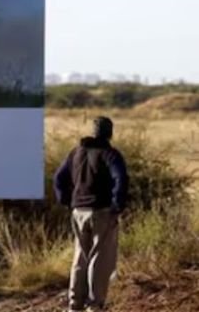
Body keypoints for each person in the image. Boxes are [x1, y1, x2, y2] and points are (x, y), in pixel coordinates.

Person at [53, 116, 129, 312]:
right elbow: (120, 178)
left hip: (78, 211)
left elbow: (58, 178)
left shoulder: (75, 153)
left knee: (80, 257)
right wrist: (117, 205)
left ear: (92, 131)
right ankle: (94, 306)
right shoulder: (109, 154)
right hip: (101, 212)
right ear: (109, 133)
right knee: (99, 258)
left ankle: (74, 304)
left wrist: (66, 200)